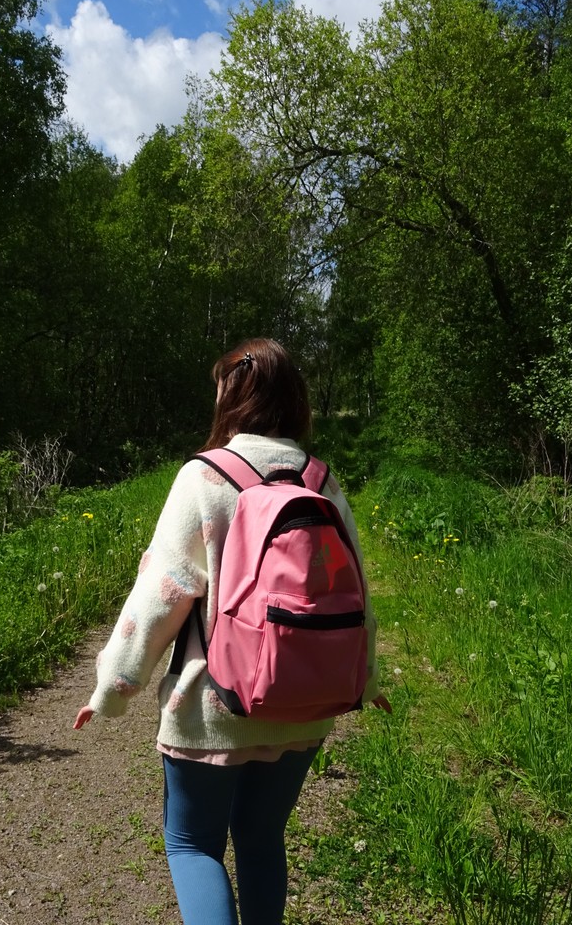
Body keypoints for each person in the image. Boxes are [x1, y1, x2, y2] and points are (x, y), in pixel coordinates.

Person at [74, 338, 390, 925]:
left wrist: (114, 684)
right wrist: (366, 678)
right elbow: (356, 591)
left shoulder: (205, 476)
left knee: (192, 845)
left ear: (231, 398)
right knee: (262, 837)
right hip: (305, 701)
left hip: (212, 706)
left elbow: (161, 594)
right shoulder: (320, 479)